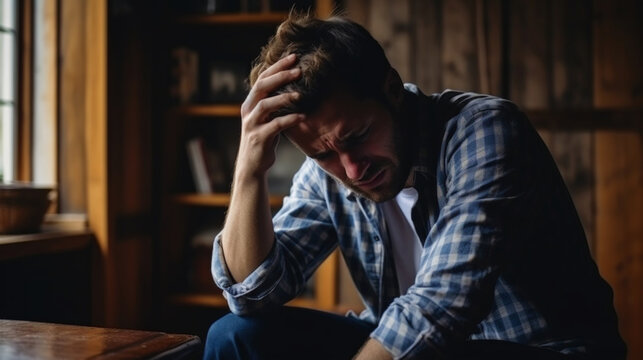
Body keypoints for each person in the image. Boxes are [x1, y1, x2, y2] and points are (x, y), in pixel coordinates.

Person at [204, 11, 626, 360]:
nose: (351, 170)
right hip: (417, 345)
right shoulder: (326, 170)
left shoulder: (483, 130)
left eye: (358, 136)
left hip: (536, 348)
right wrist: (248, 172)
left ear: (392, 89)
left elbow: (441, 308)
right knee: (235, 335)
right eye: (324, 154)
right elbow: (252, 295)